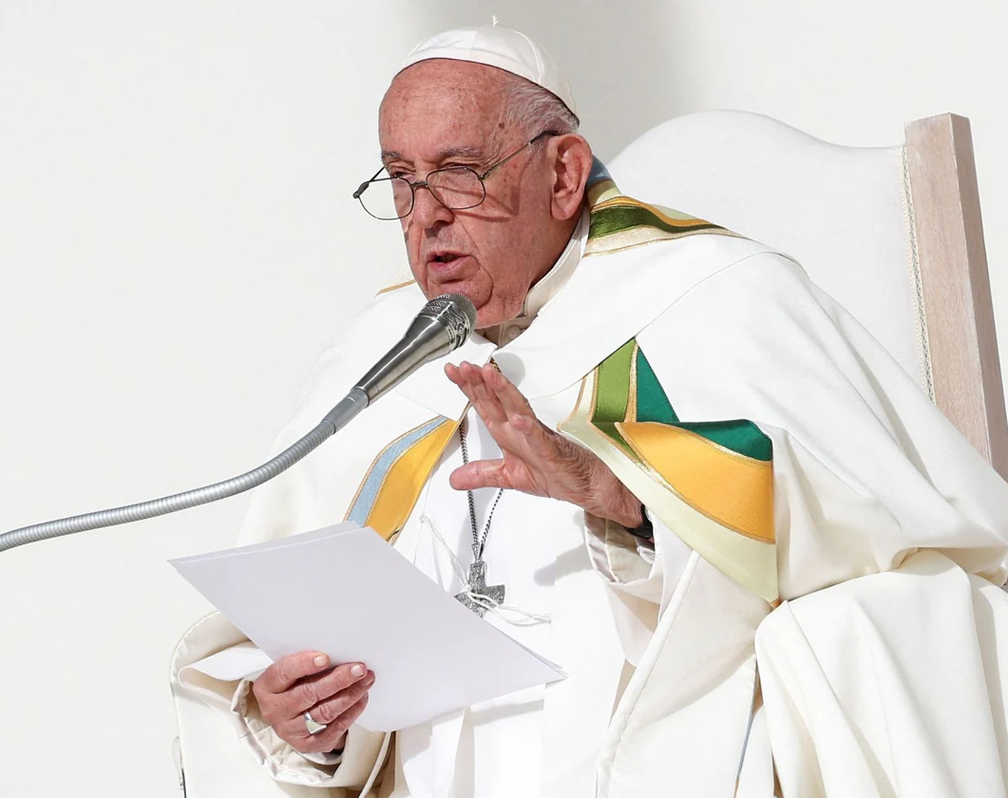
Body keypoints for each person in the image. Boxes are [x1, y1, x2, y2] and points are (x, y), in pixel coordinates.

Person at [171, 25, 1008, 798]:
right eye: (400, 180)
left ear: (564, 174)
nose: (427, 215)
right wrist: (305, 722)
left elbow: (906, 563)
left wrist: (631, 510)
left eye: (461, 172)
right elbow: (289, 671)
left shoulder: (721, 301)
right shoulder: (377, 357)